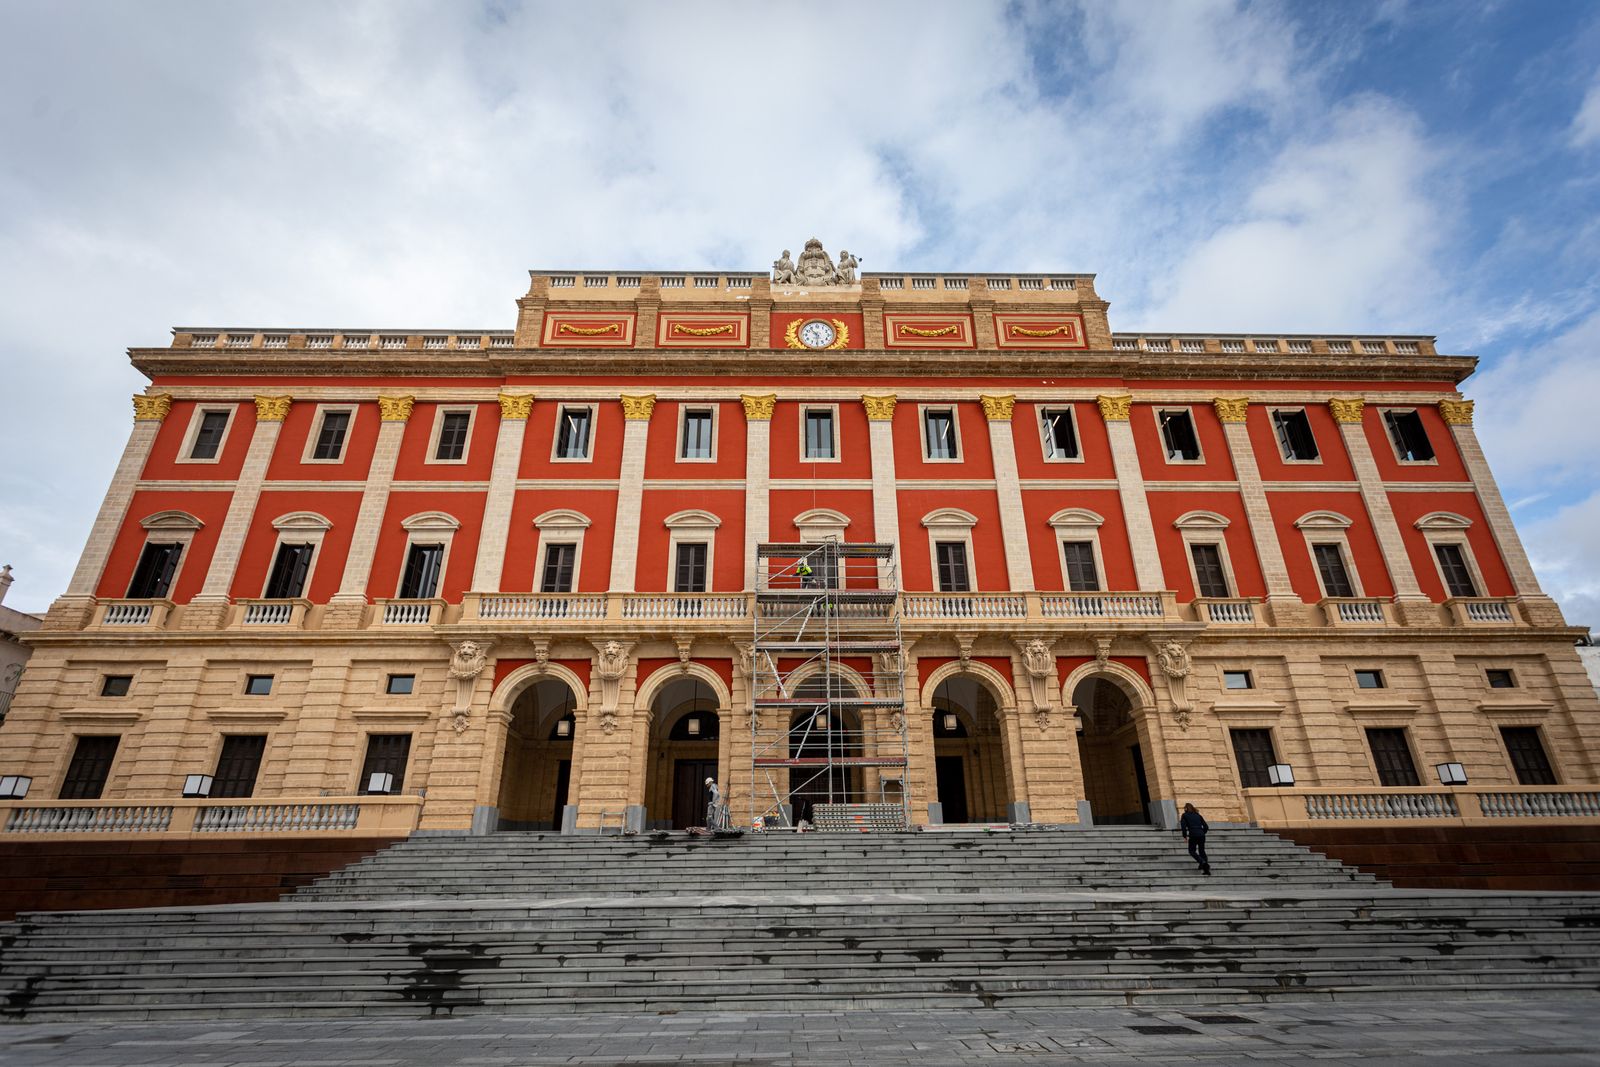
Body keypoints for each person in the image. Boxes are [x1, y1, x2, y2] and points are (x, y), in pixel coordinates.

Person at [1180, 802, 1211, 875]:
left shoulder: (1184, 815)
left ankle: (1202, 862)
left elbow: (1183, 827)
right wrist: (1202, 832)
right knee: (1202, 851)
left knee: (1191, 851)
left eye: (1184, 808)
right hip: (1201, 835)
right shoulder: (1198, 815)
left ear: (1186, 809)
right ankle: (1205, 868)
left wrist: (1184, 836)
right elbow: (1206, 827)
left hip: (1193, 834)